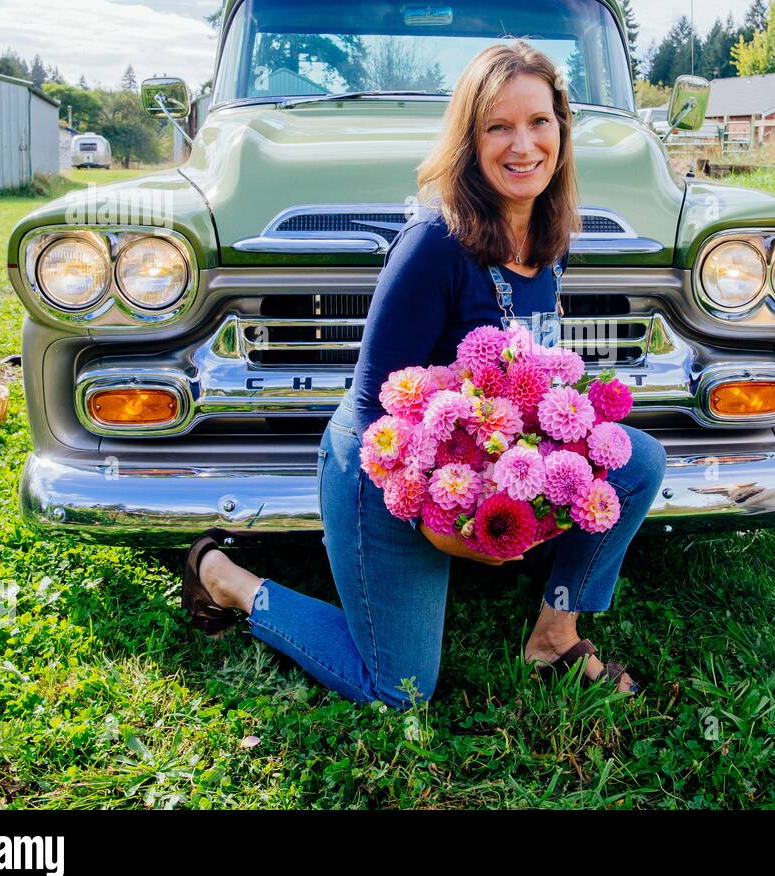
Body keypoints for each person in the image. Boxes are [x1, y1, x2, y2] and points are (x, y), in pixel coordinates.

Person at [180, 40, 667, 708]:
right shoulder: (433, 244)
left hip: (470, 457)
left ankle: (556, 632)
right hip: (384, 471)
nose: (523, 145)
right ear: (470, 139)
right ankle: (227, 577)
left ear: (561, 130)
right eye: (499, 126)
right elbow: (377, 415)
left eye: (538, 122)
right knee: (400, 688)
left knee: (638, 460)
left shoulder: (547, 241)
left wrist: (539, 476)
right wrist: (444, 527)